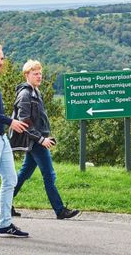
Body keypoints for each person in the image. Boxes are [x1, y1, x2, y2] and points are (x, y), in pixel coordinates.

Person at [10, 60, 80, 220]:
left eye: (40, 73)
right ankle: (60, 210)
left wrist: (44, 136)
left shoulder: (36, 92)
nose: (39, 76)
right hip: (35, 142)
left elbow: (38, 120)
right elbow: (25, 122)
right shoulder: (25, 94)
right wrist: (41, 139)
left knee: (23, 174)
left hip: (37, 140)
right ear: (26, 75)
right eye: (35, 73)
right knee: (49, 175)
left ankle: (6, 204)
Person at [0, 42, 30, 238]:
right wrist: (10, 121)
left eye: (2, 58)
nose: (0, 62)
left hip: (0, 138)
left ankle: (4, 225)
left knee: (10, 180)